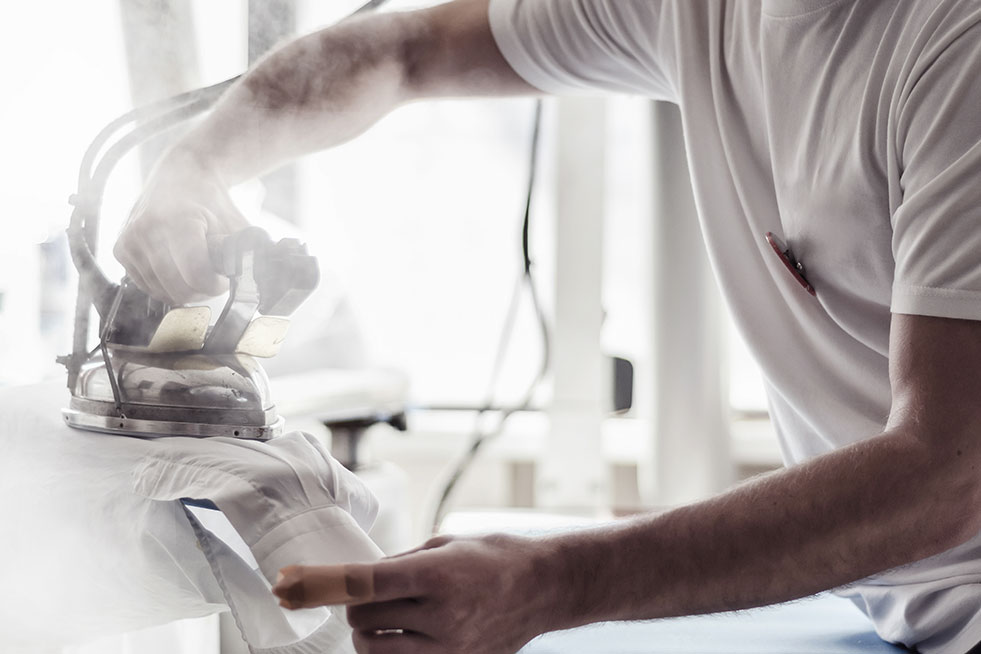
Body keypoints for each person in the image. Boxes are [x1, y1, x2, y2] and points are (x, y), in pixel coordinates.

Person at [113, 0, 981, 652]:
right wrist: (195, 166)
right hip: (894, 606)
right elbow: (401, 50)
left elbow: (945, 475)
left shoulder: (952, 45)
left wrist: (549, 580)